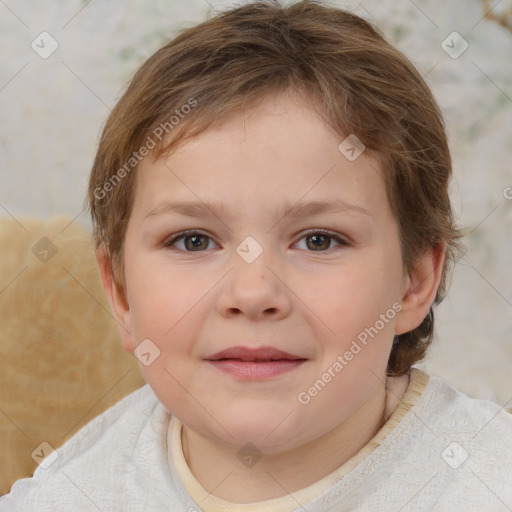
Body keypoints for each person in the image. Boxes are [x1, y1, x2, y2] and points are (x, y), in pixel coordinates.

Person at [2, 1, 511, 510]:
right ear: (120, 292)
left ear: (414, 280)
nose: (252, 293)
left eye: (319, 240)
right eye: (193, 240)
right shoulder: (64, 497)